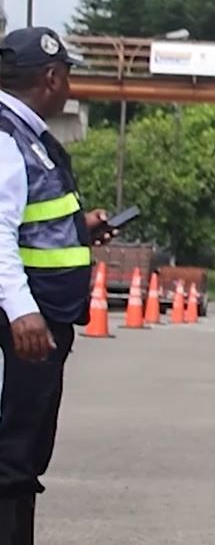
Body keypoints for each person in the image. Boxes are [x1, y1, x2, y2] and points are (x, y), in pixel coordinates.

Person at [0, 27, 115, 544]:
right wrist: (21, 311)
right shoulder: (6, 137)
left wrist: (77, 230)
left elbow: (26, 222)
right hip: (20, 327)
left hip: (39, 324)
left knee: (24, 454)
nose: (69, 86)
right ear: (51, 77)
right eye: (67, 75)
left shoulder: (26, 137)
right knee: (12, 457)